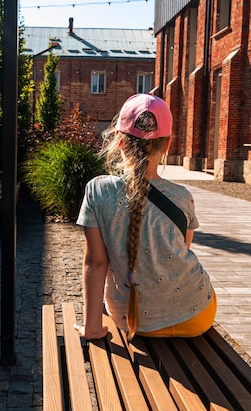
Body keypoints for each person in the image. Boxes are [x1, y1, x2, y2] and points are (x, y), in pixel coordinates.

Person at [75, 93, 216, 340]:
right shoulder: (182, 196)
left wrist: (92, 328)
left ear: (119, 141)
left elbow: (95, 263)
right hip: (197, 316)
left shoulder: (98, 190)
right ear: (168, 144)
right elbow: (180, 250)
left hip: (131, 319)